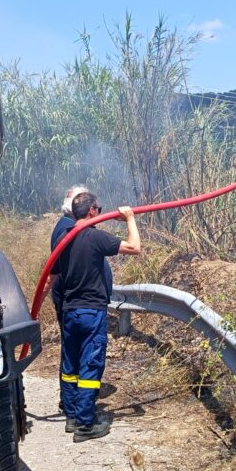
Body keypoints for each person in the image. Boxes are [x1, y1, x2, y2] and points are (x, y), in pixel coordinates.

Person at [58, 192, 141, 442]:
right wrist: (129, 219)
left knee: (70, 364)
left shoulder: (63, 238)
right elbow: (134, 247)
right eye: (99, 209)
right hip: (91, 310)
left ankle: (72, 416)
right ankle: (85, 424)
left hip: (69, 310)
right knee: (90, 364)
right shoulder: (94, 237)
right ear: (93, 210)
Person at [46, 185, 89, 424]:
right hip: (72, 302)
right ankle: (73, 406)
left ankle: (71, 402)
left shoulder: (68, 227)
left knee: (73, 351)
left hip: (72, 302)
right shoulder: (68, 230)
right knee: (75, 353)